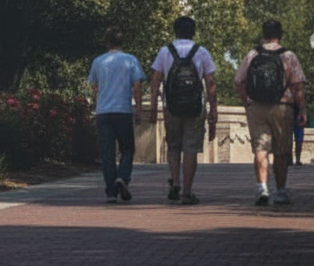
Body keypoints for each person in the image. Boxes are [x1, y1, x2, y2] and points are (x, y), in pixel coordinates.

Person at [234, 18, 307, 206]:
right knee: (281, 151)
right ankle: (281, 191)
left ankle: (262, 188)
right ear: (279, 34)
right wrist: (302, 110)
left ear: (263, 34)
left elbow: (239, 81)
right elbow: (297, 85)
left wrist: (247, 102)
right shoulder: (289, 56)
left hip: (257, 107)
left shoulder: (252, 54)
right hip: (282, 107)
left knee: (260, 148)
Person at [150, 16, 218, 204]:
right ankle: (187, 192)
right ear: (193, 32)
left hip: (172, 106)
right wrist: (213, 110)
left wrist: (155, 106)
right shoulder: (202, 52)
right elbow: (210, 83)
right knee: (190, 148)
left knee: (173, 145)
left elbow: (155, 80)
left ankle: (175, 184)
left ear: (175, 31)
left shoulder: (165, 51)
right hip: (195, 107)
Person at [88, 26, 145, 202]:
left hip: (104, 111)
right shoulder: (130, 60)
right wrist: (139, 110)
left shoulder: (98, 61)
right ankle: (123, 177)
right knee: (127, 148)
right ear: (122, 42)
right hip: (123, 110)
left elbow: (93, 85)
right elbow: (137, 86)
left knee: (107, 152)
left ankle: (111, 191)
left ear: (107, 42)